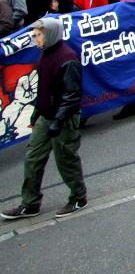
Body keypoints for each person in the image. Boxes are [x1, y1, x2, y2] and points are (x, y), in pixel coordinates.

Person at [1, 18, 87, 220]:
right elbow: (44, 88)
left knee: (66, 159)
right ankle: (30, 203)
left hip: (64, 118)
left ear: (49, 34)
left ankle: (78, 197)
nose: (35, 39)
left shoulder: (67, 58)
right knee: (33, 157)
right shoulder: (45, 56)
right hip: (47, 116)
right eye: (34, 35)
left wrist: (58, 120)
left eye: (38, 35)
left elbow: (72, 94)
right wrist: (37, 112)